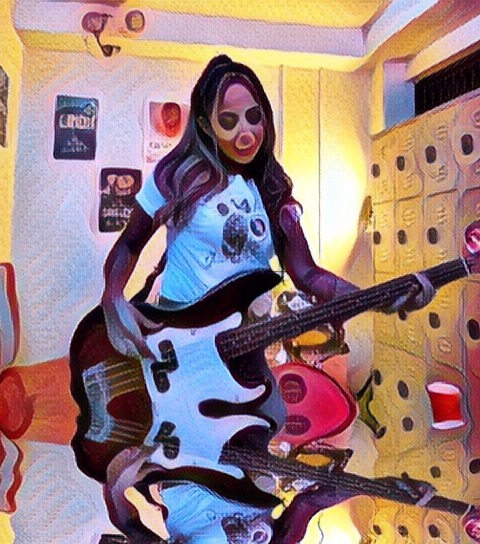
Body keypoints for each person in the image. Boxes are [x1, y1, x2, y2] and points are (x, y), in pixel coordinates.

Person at [98, 54, 435, 542]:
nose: (245, 132)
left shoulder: (273, 190)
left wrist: (380, 297)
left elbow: (307, 274)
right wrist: (114, 301)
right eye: (229, 120)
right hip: (177, 354)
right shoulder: (179, 174)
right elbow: (130, 243)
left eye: (253, 116)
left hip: (245, 368)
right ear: (205, 124)